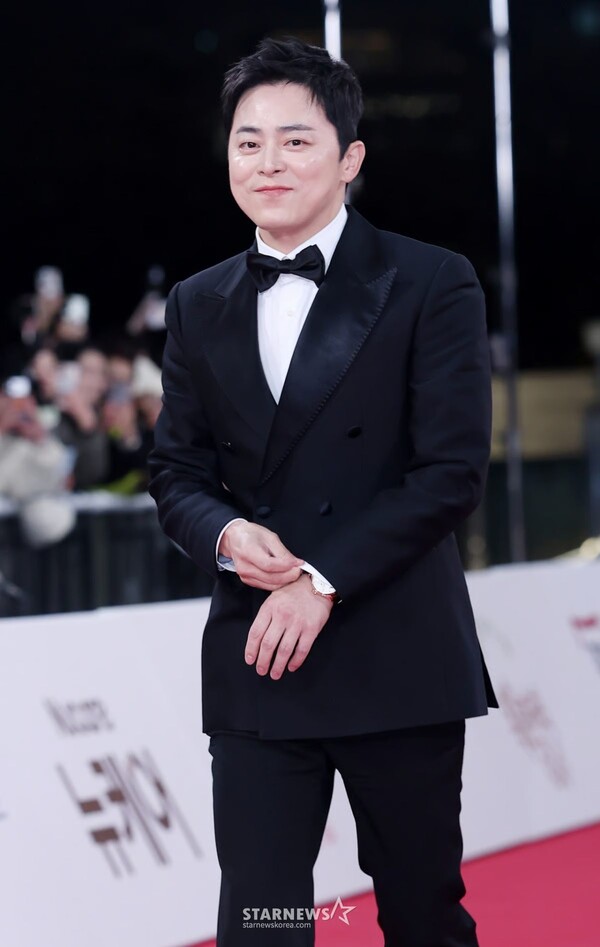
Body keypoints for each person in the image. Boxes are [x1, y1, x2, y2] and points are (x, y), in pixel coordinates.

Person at [149, 37, 497, 947]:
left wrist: (322, 579)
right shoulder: (196, 302)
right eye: (248, 141)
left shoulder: (432, 280)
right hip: (259, 658)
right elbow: (176, 471)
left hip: (395, 651)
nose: (268, 161)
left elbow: (451, 472)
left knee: (421, 913)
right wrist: (225, 534)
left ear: (350, 159)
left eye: (295, 141)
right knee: (262, 920)